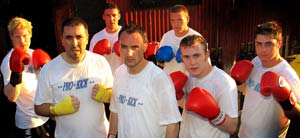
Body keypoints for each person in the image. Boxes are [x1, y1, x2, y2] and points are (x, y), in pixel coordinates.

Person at [34, 17, 114, 137]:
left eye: (79, 37)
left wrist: (107, 95)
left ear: (87, 38)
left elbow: (114, 95)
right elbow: (38, 108)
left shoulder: (100, 62)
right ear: (62, 40)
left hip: (101, 135)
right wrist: (56, 109)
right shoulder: (49, 69)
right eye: (69, 38)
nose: (74, 43)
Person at [108, 23, 182, 138]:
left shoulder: (159, 79)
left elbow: (172, 124)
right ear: (118, 47)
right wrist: (111, 135)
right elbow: (115, 110)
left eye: (134, 47)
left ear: (145, 47)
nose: (129, 53)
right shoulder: (119, 73)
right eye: (124, 47)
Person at [234, 21, 300, 138]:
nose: (262, 49)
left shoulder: (287, 74)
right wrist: (238, 81)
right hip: (243, 134)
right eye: (259, 44)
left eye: (268, 44)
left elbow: (297, 115)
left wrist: (286, 101)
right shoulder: (256, 61)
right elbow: (247, 90)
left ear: (279, 43)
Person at [175, 34, 238, 137]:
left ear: (207, 54)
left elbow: (232, 127)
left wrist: (215, 115)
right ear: (181, 57)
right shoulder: (187, 77)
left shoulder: (224, 83)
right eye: (187, 57)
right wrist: (179, 94)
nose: (192, 62)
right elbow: (189, 107)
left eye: (196, 55)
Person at [0, 17, 52, 138]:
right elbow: (12, 97)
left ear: (31, 34)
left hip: (47, 116)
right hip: (29, 122)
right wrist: (16, 73)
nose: (22, 41)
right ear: (11, 37)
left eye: (25, 35)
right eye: (17, 37)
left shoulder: (36, 54)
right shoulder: (8, 61)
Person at [156, 4, 202, 75]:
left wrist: (187, 59)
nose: (176, 24)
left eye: (179, 20)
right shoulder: (166, 36)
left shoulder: (196, 38)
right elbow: (162, 64)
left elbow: (204, 66)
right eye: (172, 20)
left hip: (189, 83)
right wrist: (160, 60)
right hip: (169, 81)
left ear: (187, 19)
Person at [89, 2, 122, 74]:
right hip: (104, 79)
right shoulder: (96, 37)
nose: (111, 18)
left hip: (124, 77)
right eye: (108, 15)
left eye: (114, 15)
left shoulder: (127, 34)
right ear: (103, 17)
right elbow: (90, 62)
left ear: (119, 16)